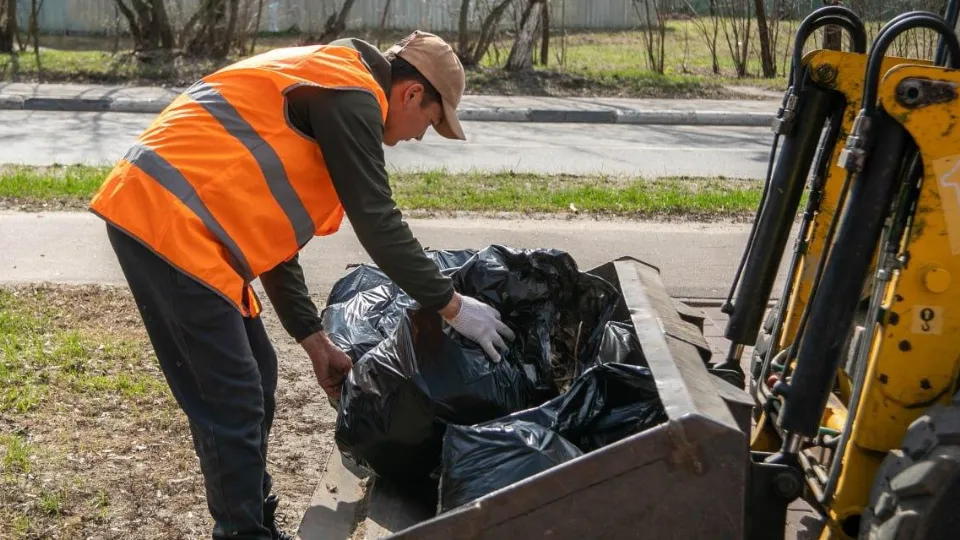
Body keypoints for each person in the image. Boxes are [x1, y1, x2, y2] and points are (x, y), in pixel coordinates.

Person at [88, 31, 516, 540]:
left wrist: (314, 340)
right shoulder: (352, 95)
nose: (421, 135)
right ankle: (244, 533)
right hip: (167, 222)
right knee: (233, 397)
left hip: (192, 230)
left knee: (257, 375)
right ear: (410, 94)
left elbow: (276, 235)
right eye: (430, 121)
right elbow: (379, 223)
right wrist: (451, 306)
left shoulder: (334, 82)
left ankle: (252, 515)